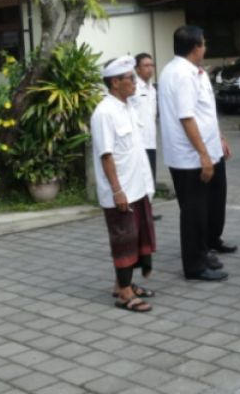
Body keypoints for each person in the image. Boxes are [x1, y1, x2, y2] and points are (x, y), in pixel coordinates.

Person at [158, 25, 234, 281]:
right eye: (204, 43)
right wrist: (203, 155)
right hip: (189, 157)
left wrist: (217, 140)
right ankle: (194, 266)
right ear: (195, 47)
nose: (206, 47)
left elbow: (204, 113)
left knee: (203, 210)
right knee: (193, 213)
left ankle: (203, 254)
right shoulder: (181, 74)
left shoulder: (189, 71)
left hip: (203, 151)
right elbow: (187, 117)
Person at [92, 55, 158, 312]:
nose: (135, 82)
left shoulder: (127, 107)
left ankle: (123, 284)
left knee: (135, 238)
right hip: (121, 191)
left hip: (137, 186)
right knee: (123, 240)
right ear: (115, 82)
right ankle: (125, 293)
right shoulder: (104, 112)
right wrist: (117, 190)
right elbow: (106, 155)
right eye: (130, 78)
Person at [128, 52, 162, 222]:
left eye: (152, 65)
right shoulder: (133, 89)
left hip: (151, 140)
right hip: (138, 141)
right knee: (138, 176)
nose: (150, 69)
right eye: (146, 66)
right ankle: (136, 211)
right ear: (137, 69)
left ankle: (147, 210)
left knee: (150, 177)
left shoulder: (152, 89)